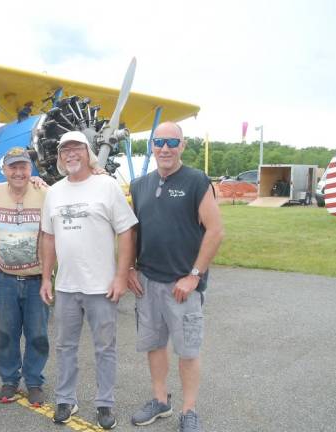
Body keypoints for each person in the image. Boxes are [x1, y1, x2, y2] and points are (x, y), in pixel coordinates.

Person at [128, 122, 224, 432]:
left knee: (188, 351)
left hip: (182, 285)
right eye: (159, 141)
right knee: (155, 345)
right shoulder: (139, 184)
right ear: (152, 146)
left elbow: (215, 230)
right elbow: (133, 231)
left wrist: (194, 275)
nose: (165, 148)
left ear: (183, 146)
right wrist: (130, 268)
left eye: (173, 141)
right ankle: (160, 401)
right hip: (148, 281)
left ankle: (189, 410)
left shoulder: (197, 181)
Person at [40, 130, 138, 429]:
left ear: (87, 153)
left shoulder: (106, 186)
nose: (71, 154)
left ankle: (105, 403)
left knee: (104, 347)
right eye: (64, 150)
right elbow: (48, 236)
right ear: (59, 157)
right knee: (64, 346)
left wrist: (121, 276)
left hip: (102, 286)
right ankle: (66, 399)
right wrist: (46, 277)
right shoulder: (54, 192)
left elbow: (127, 231)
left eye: (76, 149)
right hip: (66, 286)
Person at [0, 147, 49, 407]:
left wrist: (48, 278)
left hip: (37, 278)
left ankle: (34, 382)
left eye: (23, 166)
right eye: (13, 167)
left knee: (37, 334)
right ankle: (10, 380)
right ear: (4, 170)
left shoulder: (45, 192)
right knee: (7, 333)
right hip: (5, 279)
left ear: (31, 169)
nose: (18, 172)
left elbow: (50, 236)